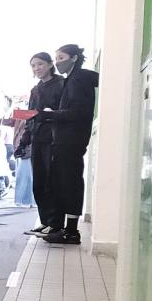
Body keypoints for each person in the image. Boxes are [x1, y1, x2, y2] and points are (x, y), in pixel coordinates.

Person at [40, 44, 99, 245]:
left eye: (61, 58)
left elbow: (77, 112)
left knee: (70, 182)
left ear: (74, 58)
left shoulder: (79, 79)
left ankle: (72, 231)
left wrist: (49, 114)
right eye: (56, 58)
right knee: (63, 182)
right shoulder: (73, 79)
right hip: (66, 139)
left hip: (71, 140)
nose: (58, 62)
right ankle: (67, 228)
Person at [19, 52, 65, 232]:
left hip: (54, 139)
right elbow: (30, 116)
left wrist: (48, 115)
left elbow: (64, 111)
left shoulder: (61, 84)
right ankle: (45, 220)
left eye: (40, 64)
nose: (37, 68)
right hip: (37, 139)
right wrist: (25, 139)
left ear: (50, 64)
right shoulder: (35, 90)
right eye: (33, 65)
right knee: (38, 181)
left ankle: (55, 223)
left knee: (51, 181)